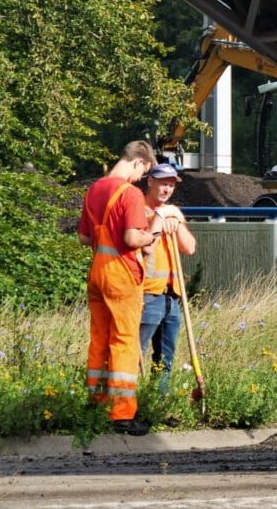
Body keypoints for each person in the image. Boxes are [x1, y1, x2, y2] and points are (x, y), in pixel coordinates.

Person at [77, 140, 158, 436]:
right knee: (124, 340)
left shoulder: (94, 189)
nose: (141, 179)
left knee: (99, 337)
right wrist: (151, 237)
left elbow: (84, 238)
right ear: (137, 162)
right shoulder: (130, 193)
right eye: (143, 172)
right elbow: (132, 237)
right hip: (122, 276)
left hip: (97, 273)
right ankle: (122, 414)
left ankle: (96, 403)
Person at [139, 163, 196, 385]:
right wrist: (161, 216)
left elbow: (189, 248)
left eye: (171, 185)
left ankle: (158, 405)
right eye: (163, 184)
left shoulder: (171, 214)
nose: (167, 189)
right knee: (135, 355)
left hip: (171, 295)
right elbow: (146, 246)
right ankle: (126, 404)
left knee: (165, 359)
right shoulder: (139, 211)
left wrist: (176, 220)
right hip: (148, 295)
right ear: (150, 182)